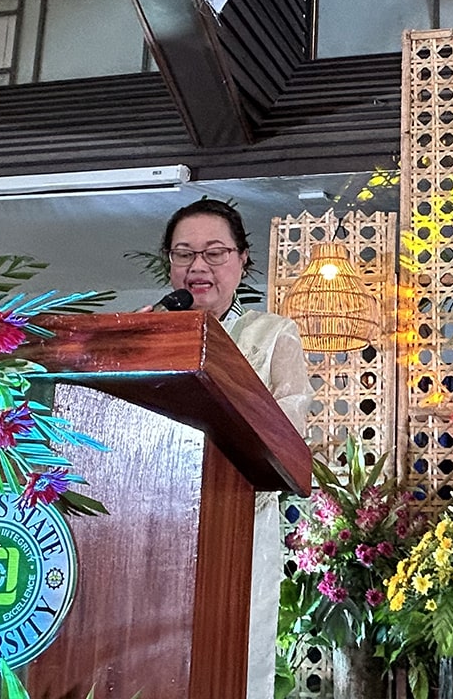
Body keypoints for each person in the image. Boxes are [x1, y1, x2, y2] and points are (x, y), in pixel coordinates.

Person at [158, 198, 313, 699]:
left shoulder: (270, 335)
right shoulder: (150, 334)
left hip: (238, 525)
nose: (198, 267)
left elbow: (288, 434)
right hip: (155, 523)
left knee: (230, 666)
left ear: (243, 260)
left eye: (214, 253)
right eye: (184, 254)